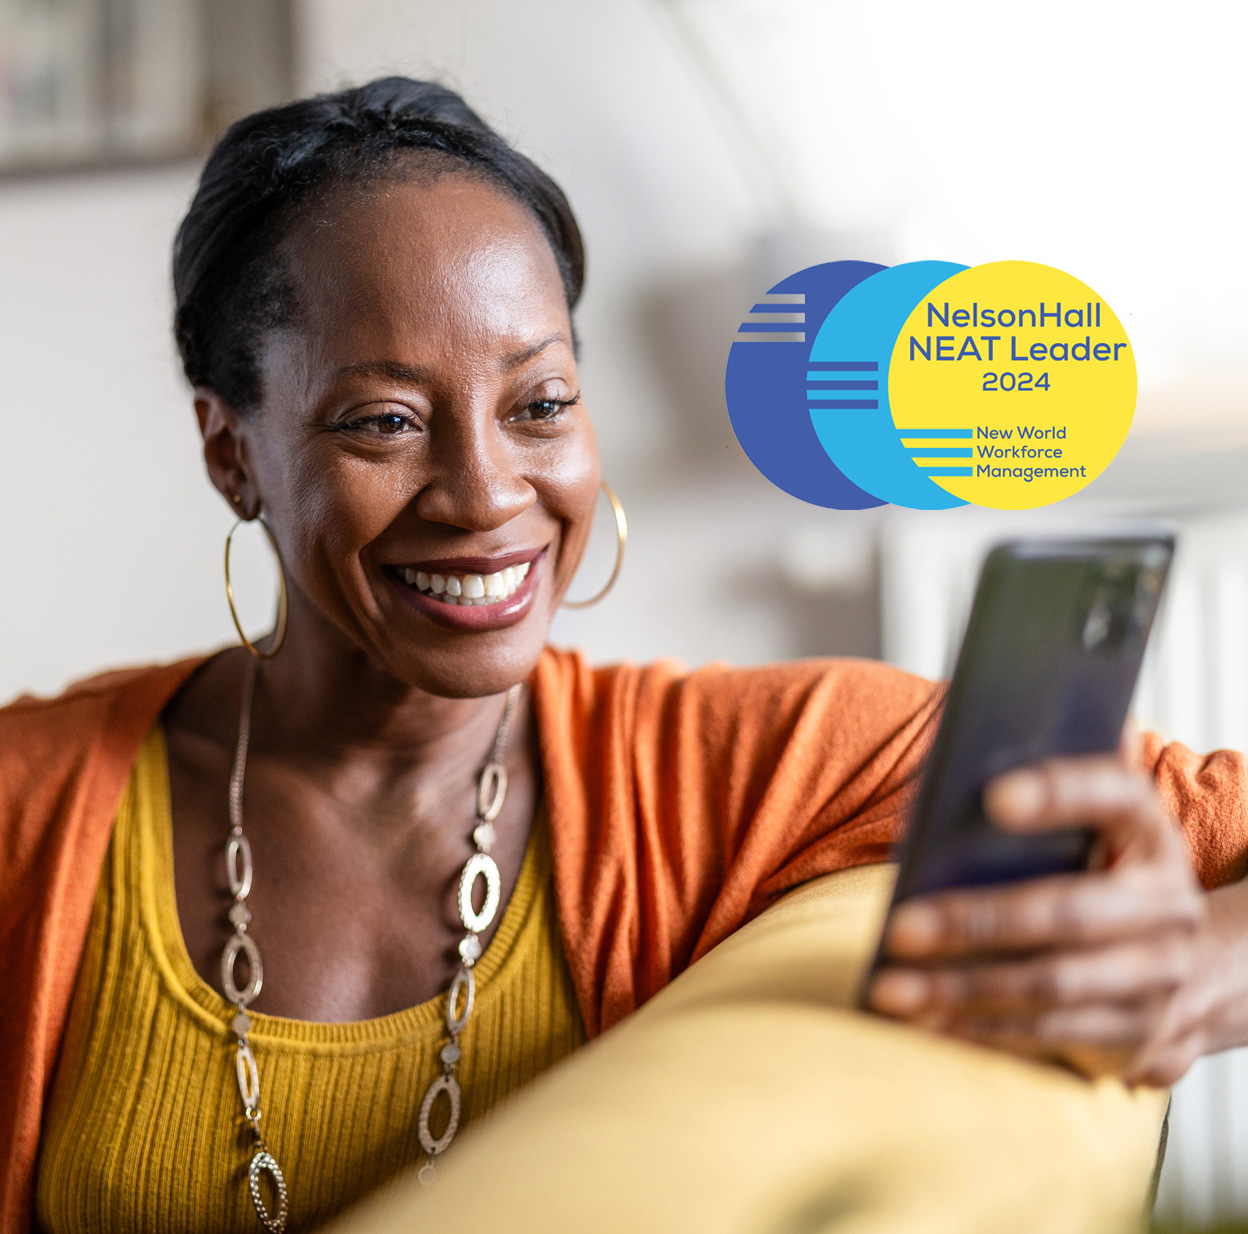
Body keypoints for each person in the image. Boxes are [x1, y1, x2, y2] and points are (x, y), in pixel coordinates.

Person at [2, 77, 1246, 1234]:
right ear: (232, 452)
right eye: (385, 420)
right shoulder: (33, 803)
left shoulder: (743, 768)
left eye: (539, 404)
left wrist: (1191, 973)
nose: (486, 493)